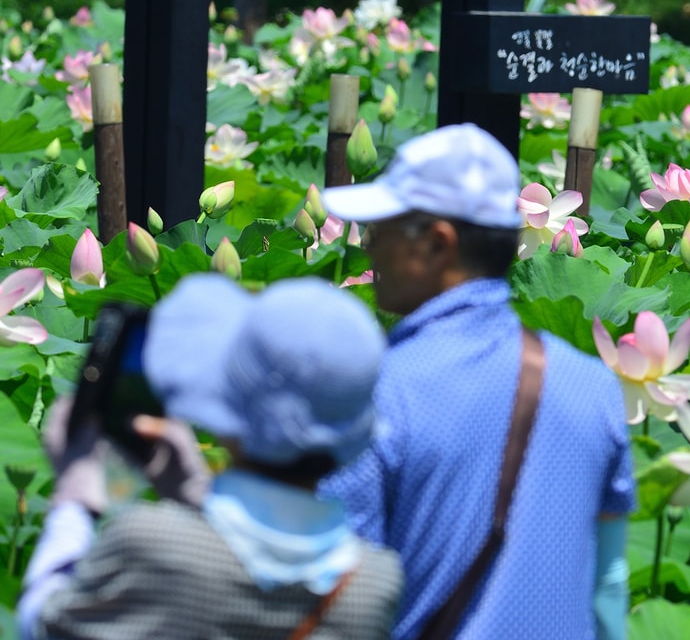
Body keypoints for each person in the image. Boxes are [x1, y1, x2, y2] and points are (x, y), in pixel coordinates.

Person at [320, 122, 634, 640]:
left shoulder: (378, 392)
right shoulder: (595, 387)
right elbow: (608, 590)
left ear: (437, 244)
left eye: (382, 230)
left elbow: (339, 595)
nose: (368, 247)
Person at [19, 274, 403, 640]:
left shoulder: (153, 542)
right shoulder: (375, 583)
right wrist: (195, 494)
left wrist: (75, 500)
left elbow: (45, 626)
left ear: (231, 413)